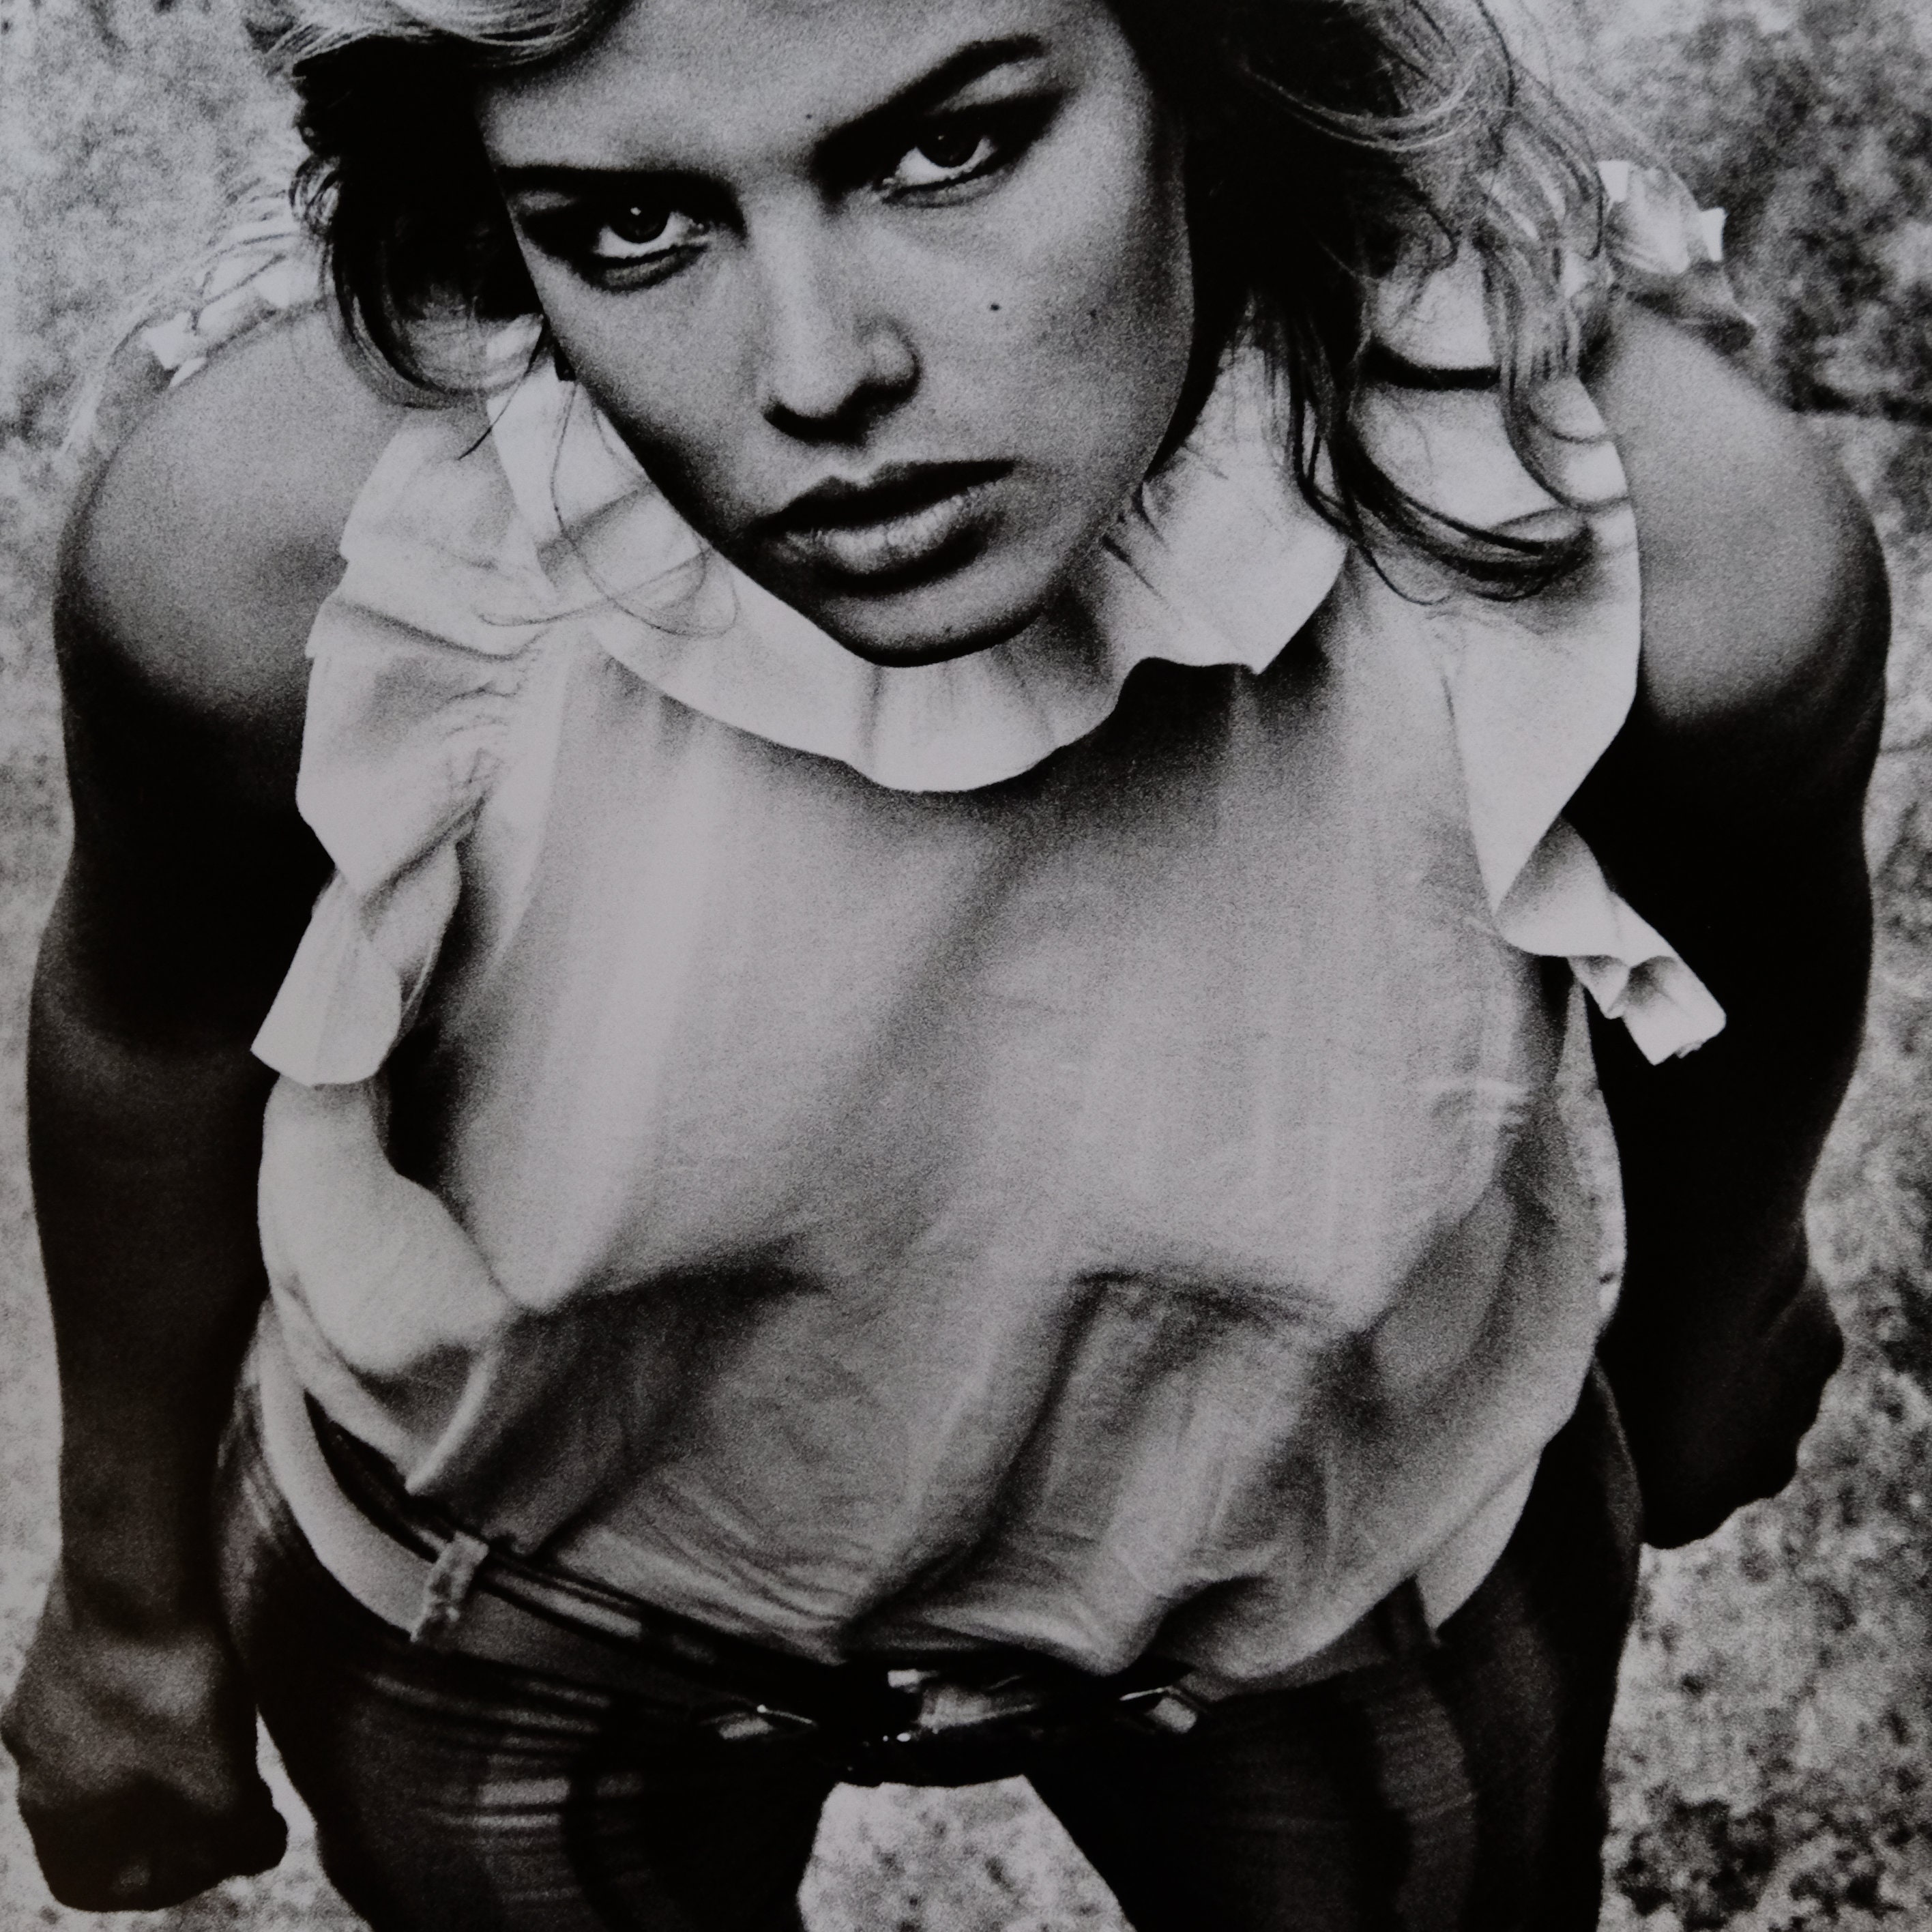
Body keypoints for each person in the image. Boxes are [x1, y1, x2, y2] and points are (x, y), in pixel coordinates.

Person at [0, 0, 1884, 1924]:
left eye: (948, 146)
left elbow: (1755, 958)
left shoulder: (1650, 542)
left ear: (1210, 59)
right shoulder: (287, 550)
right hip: (504, 1617)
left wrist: (1721, 1301)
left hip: (1348, 1581)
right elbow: (151, 1031)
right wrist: (129, 1606)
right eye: (632, 224)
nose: (820, 374)